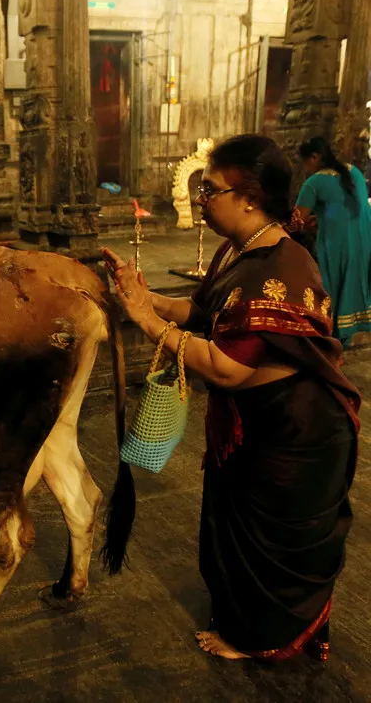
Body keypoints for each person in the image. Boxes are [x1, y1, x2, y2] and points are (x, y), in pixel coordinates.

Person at [102, 134, 360, 662]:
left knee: (270, 546)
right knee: (236, 531)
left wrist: (147, 325)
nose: (200, 199)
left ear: (250, 197)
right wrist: (140, 295)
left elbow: (228, 368)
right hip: (255, 425)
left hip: (294, 432)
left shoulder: (278, 272)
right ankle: (243, 618)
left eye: (210, 189)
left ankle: (260, 640)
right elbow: (202, 313)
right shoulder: (241, 248)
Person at [296, 136, 371, 346]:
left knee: (333, 282)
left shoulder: (314, 182)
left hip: (338, 243)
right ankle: (350, 329)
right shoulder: (353, 171)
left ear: (315, 157)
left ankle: (333, 336)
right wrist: (319, 219)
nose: (304, 168)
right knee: (356, 279)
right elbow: (341, 209)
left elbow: (296, 219)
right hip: (364, 238)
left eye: (305, 162)